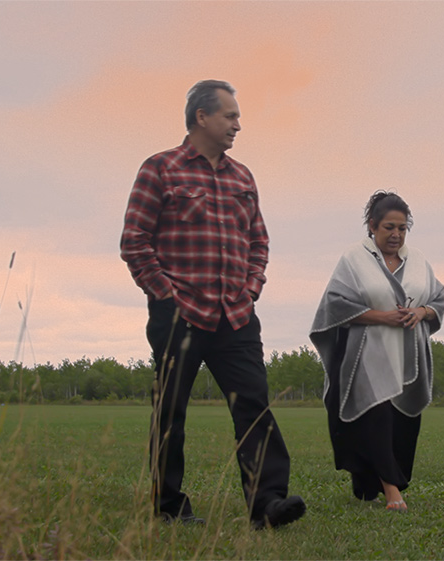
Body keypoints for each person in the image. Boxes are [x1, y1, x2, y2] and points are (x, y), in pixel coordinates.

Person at [120, 80, 305, 529]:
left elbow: (258, 240)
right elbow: (135, 241)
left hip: (236, 315)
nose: (238, 125)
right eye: (230, 115)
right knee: (171, 413)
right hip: (179, 315)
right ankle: (169, 507)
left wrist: (252, 287)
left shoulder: (243, 176)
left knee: (254, 406)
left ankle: (267, 505)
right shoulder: (159, 169)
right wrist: (165, 295)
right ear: (202, 117)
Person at [310, 192, 444, 512]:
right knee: (376, 417)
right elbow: (336, 305)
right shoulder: (353, 259)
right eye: (389, 227)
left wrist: (422, 312)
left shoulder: (419, 261)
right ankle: (392, 491)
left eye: (402, 228)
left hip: (407, 357)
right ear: (372, 226)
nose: (396, 235)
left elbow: (438, 298)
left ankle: (369, 480)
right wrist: (382, 317)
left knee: (403, 423)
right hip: (365, 356)